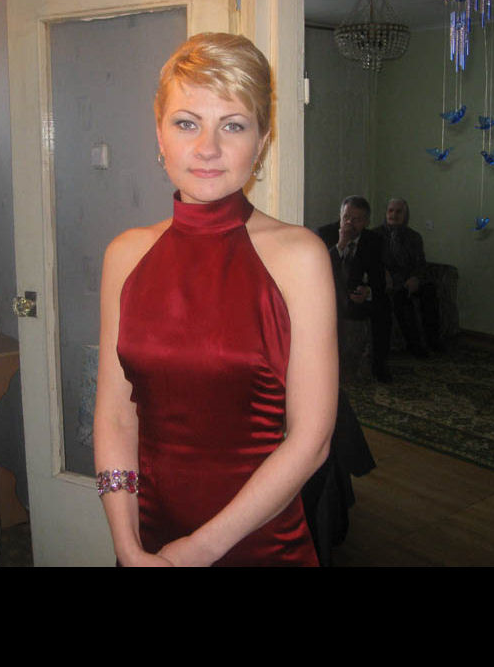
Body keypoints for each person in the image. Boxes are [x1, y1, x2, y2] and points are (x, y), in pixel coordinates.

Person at [93, 32, 338, 567]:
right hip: (146, 546)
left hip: (259, 547)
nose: (207, 148)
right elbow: (115, 418)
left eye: (233, 125)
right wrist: (126, 546)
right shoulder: (125, 255)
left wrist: (197, 551)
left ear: (263, 140)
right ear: (159, 134)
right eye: (187, 123)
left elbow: (312, 441)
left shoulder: (300, 256)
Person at [328, 196, 392, 382]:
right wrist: (341, 244)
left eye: (356, 219)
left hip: (359, 293)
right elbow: (321, 268)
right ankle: (331, 368)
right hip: (333, 294)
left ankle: (379, 365)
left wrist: (368, 292)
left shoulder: (375, 241)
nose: (349, 223)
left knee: (383, 307)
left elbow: (378, 278)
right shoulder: (325, 233)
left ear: (366, 222)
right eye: (346, 217)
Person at [375, 197, 442, 356]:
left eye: (399, 212)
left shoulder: (414, 237)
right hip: (390, 281)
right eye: (390, 211)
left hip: (409, 279)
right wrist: (384, 273)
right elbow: (371, 261)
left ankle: (434, 341)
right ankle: (415, 345)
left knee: (429, 290)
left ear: (406, 215)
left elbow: (421, 264)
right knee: (401, 298)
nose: (394, 215)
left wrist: (415, 278)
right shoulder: (374, 235)